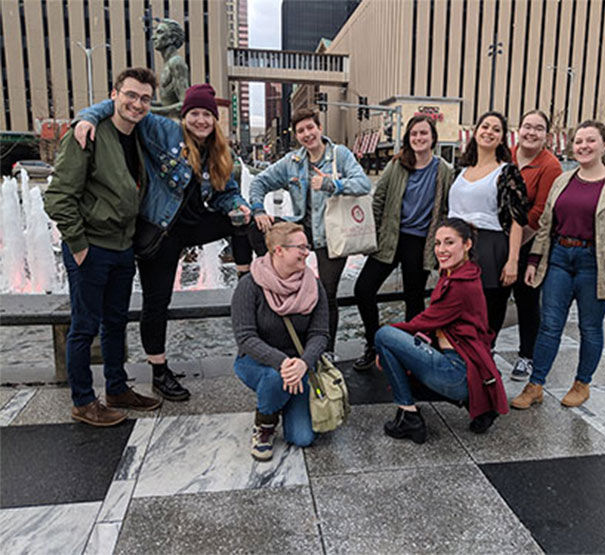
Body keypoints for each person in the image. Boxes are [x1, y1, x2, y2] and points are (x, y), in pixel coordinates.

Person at [74, 84, 252, 402]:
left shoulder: (218, 151)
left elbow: (227, 193)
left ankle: (247, 279)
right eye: (194, 113)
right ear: (185, 116)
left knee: (245, 220)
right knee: (157, 304)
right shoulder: (164, 131)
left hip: (193, 227)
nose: (201, 120)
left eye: (207, 114)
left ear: (214, 119)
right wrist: (87, 118)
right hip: (161, 233)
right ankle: (159, 371)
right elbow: (126, 108)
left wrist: (239, 205)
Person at [44, 68, 162, 426]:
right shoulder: (88, 136)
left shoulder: (139, 134)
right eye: (130, 95)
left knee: (115, 322)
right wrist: (79, 246)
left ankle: (116, 387)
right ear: (114, 94)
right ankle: (82, 400)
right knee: (84, 327)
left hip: (122, 246)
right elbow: (58, 197)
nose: (137, 103)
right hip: (92, 247)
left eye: (144, 98)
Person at [511, 120, 605, 410]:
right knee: (549, 325)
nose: (583, 146)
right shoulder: (564, 180)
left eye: (590, 141)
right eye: (578, 141)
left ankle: (582, 383)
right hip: (559, 258)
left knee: (590, 328)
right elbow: (546, 224)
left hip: (595, 264)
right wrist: (534, 259)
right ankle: (536, 385)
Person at [374, 218, 509, 444]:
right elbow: (436, 321)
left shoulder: (460, 285)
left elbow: (421, 323)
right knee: (392, 344)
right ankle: (474, 404)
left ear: (467, 245)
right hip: (465, 366)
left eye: (449, 243)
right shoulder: (462, 272)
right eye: (437, 243)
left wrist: (386, 344)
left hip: (455, 373)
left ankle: (409, 416)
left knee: (384, 335)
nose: (441, 250)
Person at [248, 108, 371, 354]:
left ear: (319, 128)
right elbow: (259, 182)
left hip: (333, 235)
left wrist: (332, 184)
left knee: (326, 294)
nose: (307, 134)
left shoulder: (340, 154)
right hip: (301, 231)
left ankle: (327, 351)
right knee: (255, 226)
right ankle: (266, 276)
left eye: (310, 128)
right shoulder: (293, 162)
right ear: (296, 135)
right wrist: (259, 209)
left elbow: (363, 183)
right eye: (301, 130)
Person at [352, 115, 456, 371]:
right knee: (363, 289)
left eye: (423, 133)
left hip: (420, 241)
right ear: (408, 138)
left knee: (414, 298)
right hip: (390, 237)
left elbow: (447, 209)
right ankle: (374, 343)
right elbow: (379, 200)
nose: (418, 138)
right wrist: (372, 237)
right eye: (414, 134)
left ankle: (410, 352)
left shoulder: (444, 170)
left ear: (433, 137)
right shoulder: (397, 164)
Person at [232, 222, 329, 461]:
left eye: (307, 247)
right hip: (256, 362)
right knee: (275, 377)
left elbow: (320, 333)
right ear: (279, 250)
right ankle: (264, 425)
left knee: (302, 438)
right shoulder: (249, 285)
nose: (306, 252)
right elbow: (245, 337)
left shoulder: (313, 285)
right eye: (301, 247)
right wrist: (284, 363)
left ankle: (279, 398)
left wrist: (304, 363)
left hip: (300, 365)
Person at [448, 111, 529, 347]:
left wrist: (513, 260)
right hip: (457, 250)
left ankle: (484, 367)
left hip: (490, 249)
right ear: (475, 132)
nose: (489, 132)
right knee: (455, 313)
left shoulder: (507, 173)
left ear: (502, 138)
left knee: (486, 318)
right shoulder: (460, 171)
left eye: (496, 129)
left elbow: (517, 219)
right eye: (485, 126)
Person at [506, 110, 562, 380]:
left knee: (526, 300)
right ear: (519, 129)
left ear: (546, 135)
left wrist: (514, 247)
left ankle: (526, 356)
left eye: (538, 128)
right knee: (492, 297)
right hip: (496, 239)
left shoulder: (550, 166)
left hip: (529, 241)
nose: (531, 132)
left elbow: (540, 211)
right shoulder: (504, 154)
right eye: (527, 126)